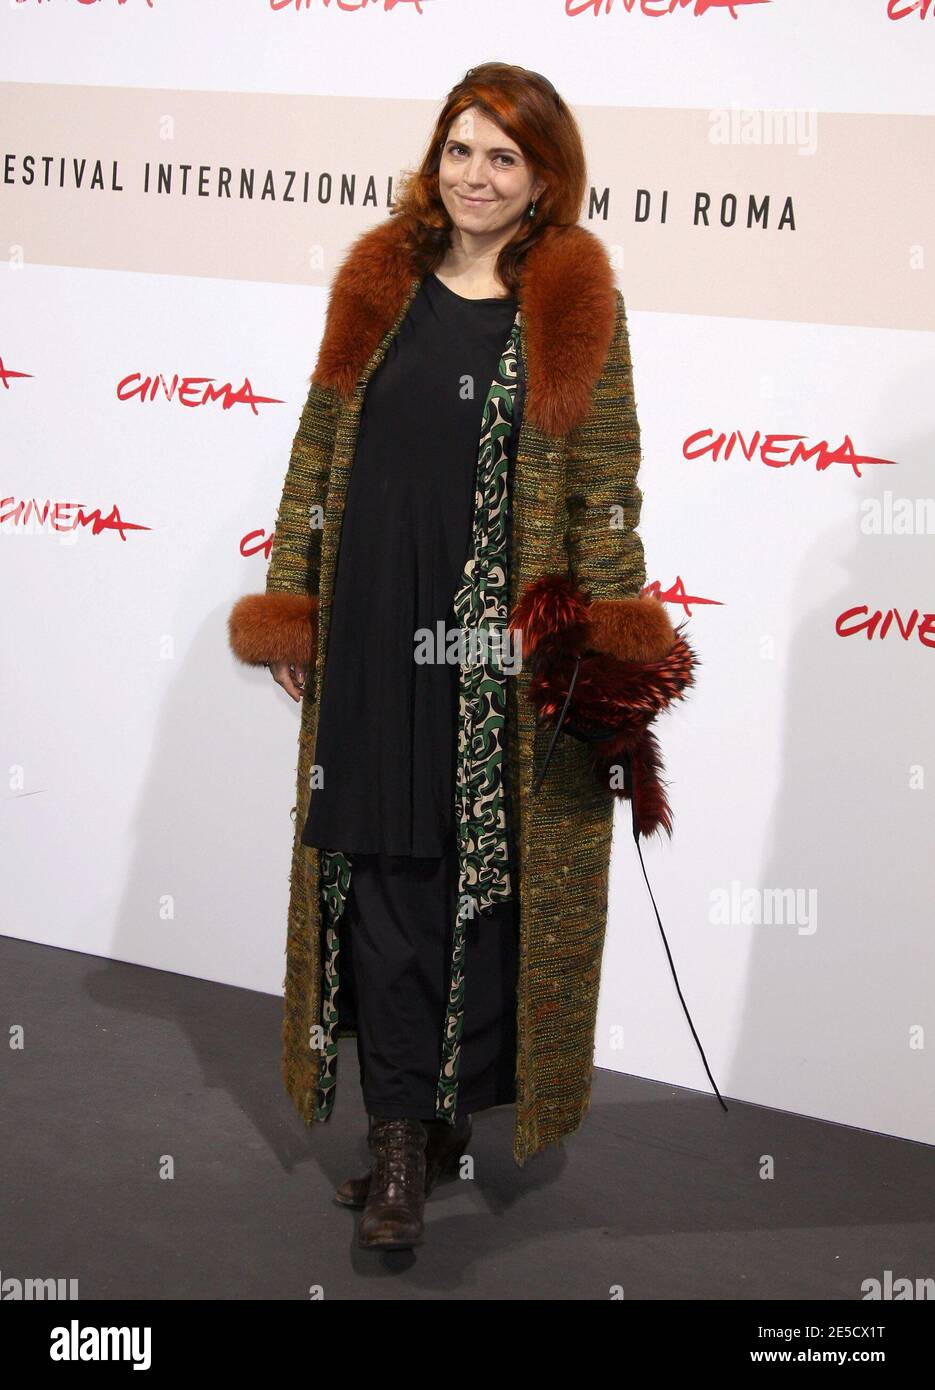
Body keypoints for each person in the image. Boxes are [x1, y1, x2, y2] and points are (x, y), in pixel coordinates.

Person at [229, 62, 696, 1254]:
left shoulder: (573, 296)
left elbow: (604, 484)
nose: (475, 176)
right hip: (378, 630)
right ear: (433, 159)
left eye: (503, 157)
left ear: (542, 177)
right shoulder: (378, 281)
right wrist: (295, 599)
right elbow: (316, 445)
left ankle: (441, 1116)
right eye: (459, 149)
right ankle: (393, 1145)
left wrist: (607, 636)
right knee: (381, 871)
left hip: (498, 647)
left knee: (474, 883)